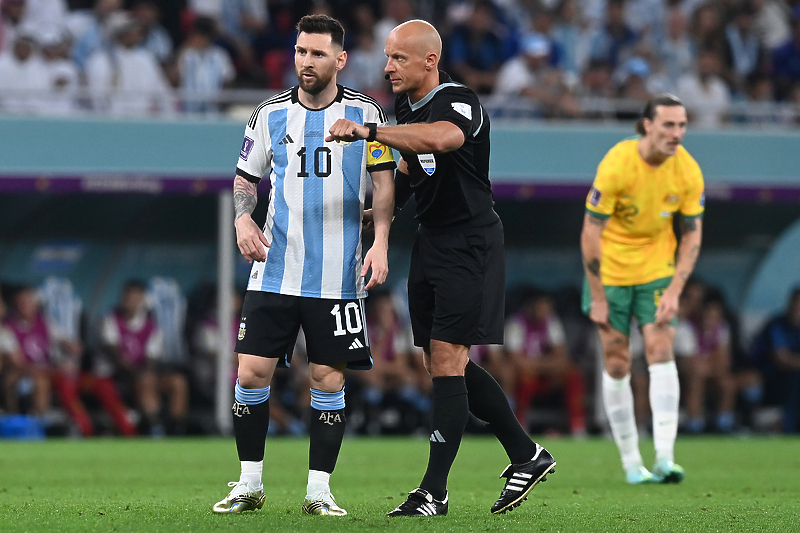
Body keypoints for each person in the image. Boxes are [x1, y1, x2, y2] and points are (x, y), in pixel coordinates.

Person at [327, 19, 556, 517]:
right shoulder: (405, 106)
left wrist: (369, 131)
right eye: (387, 57)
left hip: (469, 243)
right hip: (433, 242)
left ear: (429, 60)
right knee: (437, 361)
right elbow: (411, 171)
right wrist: (375, 216)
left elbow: (444, 140)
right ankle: (526, 454)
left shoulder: (457, 100)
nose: (387, 67)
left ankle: (433, 491)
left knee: (449, 361)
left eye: (398, 58)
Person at [211, 14, 396, 516]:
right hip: (275, 268)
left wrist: (380, 242)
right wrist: (243, 221)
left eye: (316, 54)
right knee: (250, 373)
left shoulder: (367, 113)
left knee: (327, 380)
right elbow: (245, 177)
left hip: (338, 274)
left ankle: (319, 491)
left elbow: (384, 184)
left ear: (340, 60)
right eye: (299, 51)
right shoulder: (269, 114)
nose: (305, 61)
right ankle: (249, 483)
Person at [580, 93, 704, 484]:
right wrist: (597, 295)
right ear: (647, 125)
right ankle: (633, 464)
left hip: (657, 270)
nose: (677, 133)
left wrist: (675, 290)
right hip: (612, 272)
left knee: (660, 348)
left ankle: (665, 457)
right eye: (669, 124)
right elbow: (590, 231)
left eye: (682, 125)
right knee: (617, 360)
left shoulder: (687, 171)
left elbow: (692, 236)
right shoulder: (618, 162)